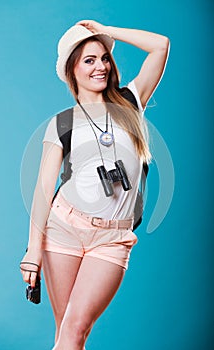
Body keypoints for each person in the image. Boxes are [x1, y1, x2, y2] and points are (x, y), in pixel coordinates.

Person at [20, 19, 170, 350]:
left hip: (112, 238)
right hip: (64, 230)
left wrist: (106, 31)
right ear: (72, 69)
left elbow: (161, 45)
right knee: (69, 334)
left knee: (75, 328)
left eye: (104, 57)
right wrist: (33, 252)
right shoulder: (61, 123)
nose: (100, 66)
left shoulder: (131, 101)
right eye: (89, 60)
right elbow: (43, 190)